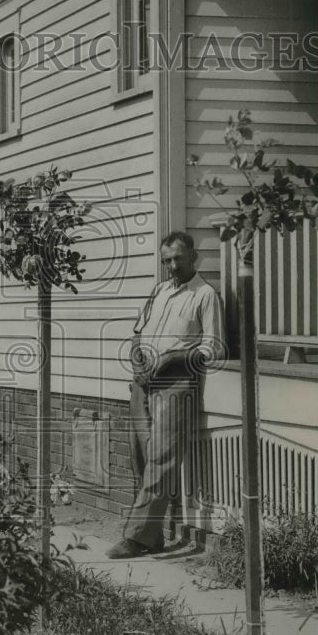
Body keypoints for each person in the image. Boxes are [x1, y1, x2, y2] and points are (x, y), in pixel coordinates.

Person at [106, 231, 224, 559]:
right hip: (144, 382)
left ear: (194, 258)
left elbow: (213, 347)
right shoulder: (159, 291)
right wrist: (138, 362)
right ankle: (152, 535)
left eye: (178, 259)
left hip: (177, 383)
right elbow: (138, 334)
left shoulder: (204, 295)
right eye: (166, 260)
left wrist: (172, 358)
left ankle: (136, 538)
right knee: (141, 457)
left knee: (160, 460)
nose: (172, 265)